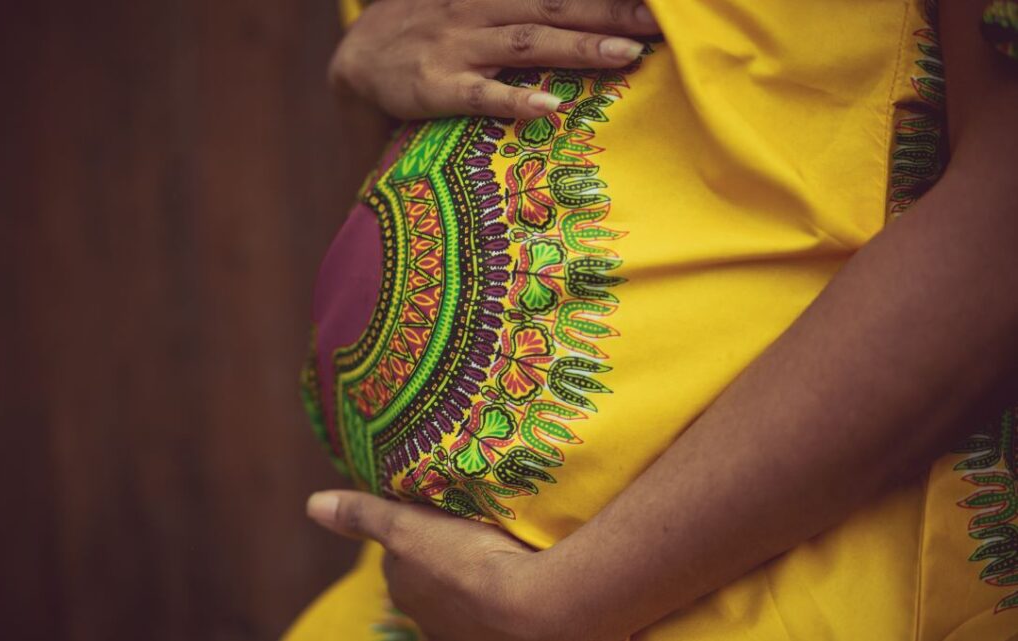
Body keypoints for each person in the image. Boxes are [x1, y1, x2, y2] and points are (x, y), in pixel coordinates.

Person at [285, 1, 1018, 639]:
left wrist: (551, 603)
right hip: (432, 594)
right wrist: (361, 73)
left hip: (777, 587)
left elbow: (999, 234)